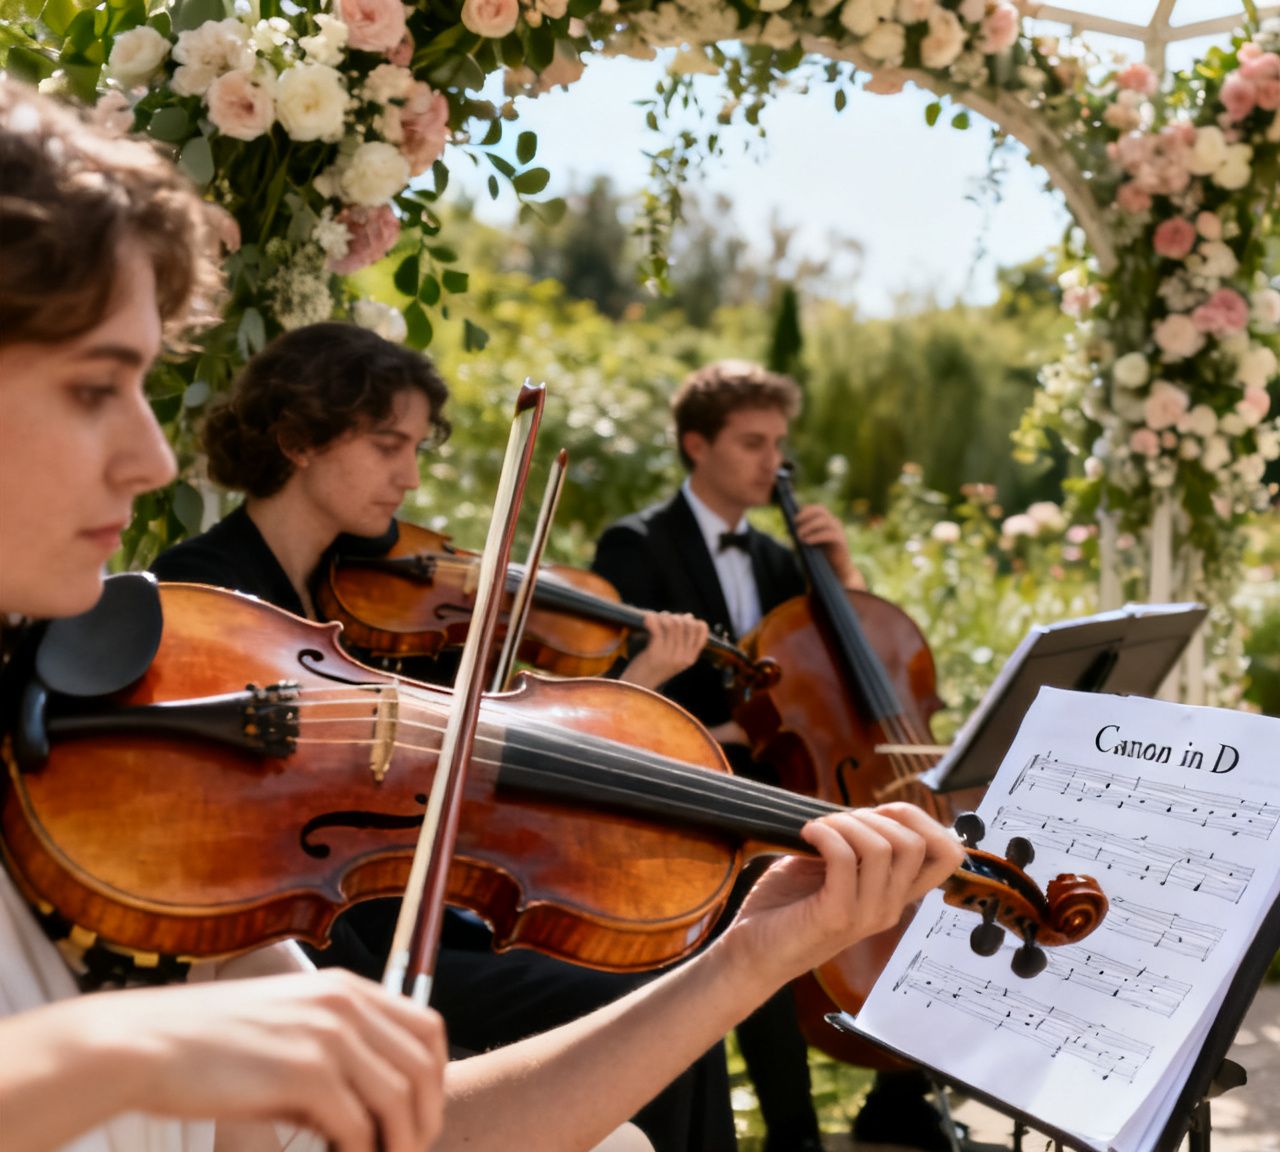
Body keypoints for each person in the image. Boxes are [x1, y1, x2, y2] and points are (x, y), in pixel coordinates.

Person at [0, 76, 964, 1152]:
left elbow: (417, 1132)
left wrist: (749, 956)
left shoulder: (102, 774)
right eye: (95, 387)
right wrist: (132, 1051)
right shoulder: (170, 646)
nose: (151, 458)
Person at [150, 321, 736, 1152]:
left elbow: (473, 743)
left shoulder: (356, 595)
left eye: (418, 447)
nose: (412, 476)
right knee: (650, 1009)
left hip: (398, 909)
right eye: (390, 445)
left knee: (671, 994)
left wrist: (629, 693)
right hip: (313, 936)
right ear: (297, 439)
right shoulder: (207, 589)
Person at [591, 362, 960, 1152]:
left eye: (779, 444)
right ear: (697, 444)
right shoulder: (637, 544)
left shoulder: (778, 556)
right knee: (769, 903)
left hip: (802, 775)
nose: (773, 463)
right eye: (753, 444)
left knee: (909, 858)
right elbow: (625, 692)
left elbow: (846, 670)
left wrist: (841, 572)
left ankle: (899, 1093)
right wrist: (724, 735)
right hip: (701, 785)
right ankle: (792, 1134)